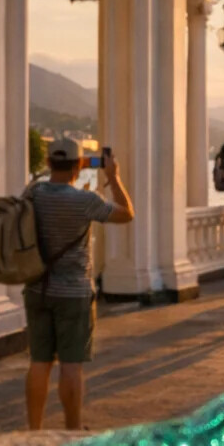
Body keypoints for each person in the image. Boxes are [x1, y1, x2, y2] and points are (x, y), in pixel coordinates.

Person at [23, 137, 134, 430]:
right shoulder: (85, 201)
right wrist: (114, 178)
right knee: (71, 364)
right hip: (73, 292)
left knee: (39, 362)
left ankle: (33, 431)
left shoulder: (33, 193)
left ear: (48, 163)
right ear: (79, 164)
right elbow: (127, 213)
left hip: (36, 287)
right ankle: (72, 429)